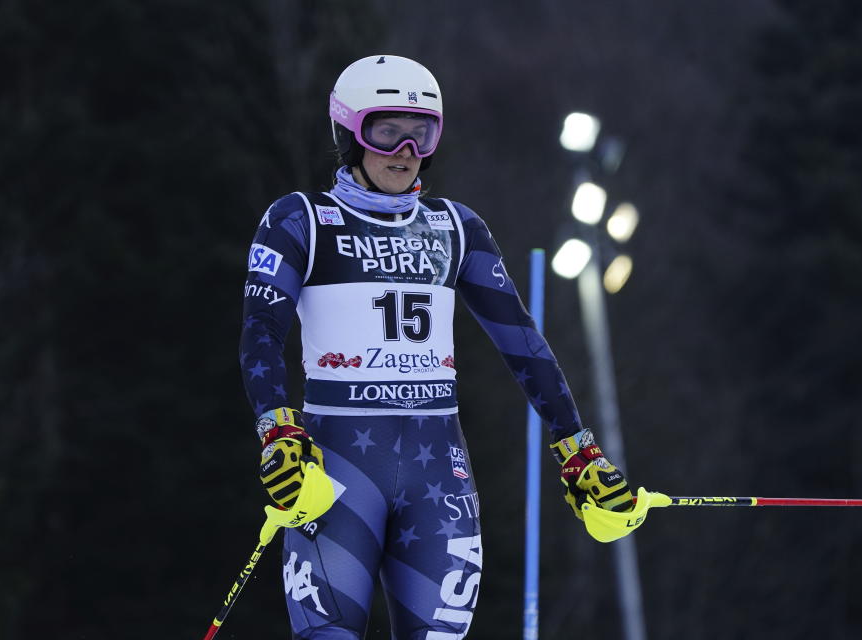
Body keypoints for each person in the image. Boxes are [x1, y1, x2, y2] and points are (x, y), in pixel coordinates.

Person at [240, 54, 645, 640]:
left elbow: (524, 345)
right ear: (348, 133)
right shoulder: (302, 220)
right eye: (386, 131)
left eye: (421, 133)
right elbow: (261, 333)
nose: (405, 151)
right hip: (334, 476)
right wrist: (277, 431)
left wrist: (578, 450)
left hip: (440, 483)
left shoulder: (456, 228)